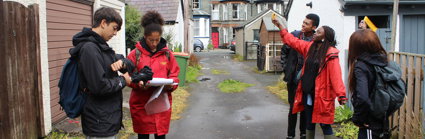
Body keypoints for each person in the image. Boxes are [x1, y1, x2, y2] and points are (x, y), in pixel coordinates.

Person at [272, 19, 347, 139]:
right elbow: (292, 41)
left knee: (325, 125)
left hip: (322, 96)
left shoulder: (330, 54)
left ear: (324, 37)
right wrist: (280, 26)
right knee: (309, 123)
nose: (315, 33)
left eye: (318, 32)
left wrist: (341, 94)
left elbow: (336, 76)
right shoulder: (309, 47)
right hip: (308, 94)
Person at [70, 7, 135, 138]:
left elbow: (128, 63)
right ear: (103, 23)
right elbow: (99, 86)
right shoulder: (90, 49)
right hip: (99, 123)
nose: (115, 33)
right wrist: (123, 80)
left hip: (106, 120)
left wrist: (123, 63)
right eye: (114, 28)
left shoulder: (101, 47)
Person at [127, 11, 180, 139]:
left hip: (161, 103)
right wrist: (138, 84)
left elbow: (174, 75)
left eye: (157, 40)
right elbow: (127, 77)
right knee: (143, 136)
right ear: (145, 36)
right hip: (141, 104)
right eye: (151, 40)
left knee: (160, 136)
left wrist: (170, 85)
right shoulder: (135, 54)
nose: (154, 43)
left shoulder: (167, 54)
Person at [281, 13, 320, 139]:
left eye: (306, 24)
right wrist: (286, 67)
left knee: (305, 108)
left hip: (307, 80)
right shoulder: (295, 35)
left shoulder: (316, 41)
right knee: (292, 107)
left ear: (314, 27)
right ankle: (290, 135)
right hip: (293, 78)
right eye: (303, 22)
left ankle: (303, 134)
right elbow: (284, 51)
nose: (303, 25)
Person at [348, 29, 390, 139]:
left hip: (369, 123)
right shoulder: (384, 61)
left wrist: (358, 119)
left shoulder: (361, 66)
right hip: (382, 119)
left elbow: (363, 98)